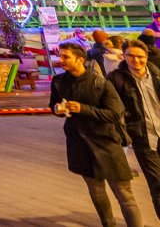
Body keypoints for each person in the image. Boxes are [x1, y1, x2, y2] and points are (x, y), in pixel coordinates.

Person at [51, 42, 142, 227]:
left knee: (124, 194)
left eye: (66, 57)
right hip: (79, 142)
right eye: (60, 56)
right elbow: (53, 104)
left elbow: (115, 113)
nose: (61, 60)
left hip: (106, 143)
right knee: (96, 190)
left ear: (80, 59)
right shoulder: (58, 81)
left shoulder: (100, 83)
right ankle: (108, 224)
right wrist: (57, 109)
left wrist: (83, 109)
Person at [109, 40, 160, 220]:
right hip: (144, 138)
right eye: (131, 55)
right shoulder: (116, 79)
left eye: (140, 56)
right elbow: (111, 107)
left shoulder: (157, 75)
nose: (136, 60)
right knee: (157, 183)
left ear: (147, 56)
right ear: (123, 56)